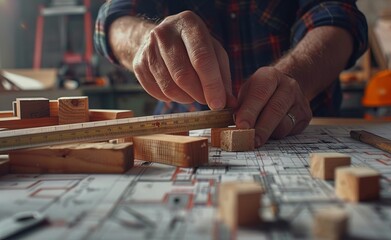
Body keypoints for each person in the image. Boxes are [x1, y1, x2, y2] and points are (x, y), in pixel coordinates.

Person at [94, 0, 368, 147]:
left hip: (302, 132)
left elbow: (338, 14)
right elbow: (113, 18)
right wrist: (144, 40)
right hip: (182, 136)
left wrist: (295, 75)